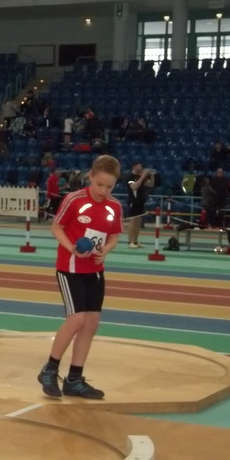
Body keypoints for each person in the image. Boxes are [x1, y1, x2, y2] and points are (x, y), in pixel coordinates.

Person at [37, 155, 123, 400]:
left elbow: (114, 236)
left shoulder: (114, 206)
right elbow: (56, 227)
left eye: (109, 187)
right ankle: (49, 369)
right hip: (70, 268)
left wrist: (106, 250)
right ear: (90, 177)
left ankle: (74, 379)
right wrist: (72, 248)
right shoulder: (74, 199)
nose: (103, 191)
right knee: (76, 319)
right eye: (99, 184)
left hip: (94, 270)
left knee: (91, 323)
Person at [126, 161, 154, 248]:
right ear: (134, 167)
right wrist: (142, 177)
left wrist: (152, 175)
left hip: (140, 201)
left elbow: (150, 184)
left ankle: (135, 241)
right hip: (133, 201)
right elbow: (134, 186)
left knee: (138, 222)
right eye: (139, 166)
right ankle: (130, 241)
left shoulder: (140, 177)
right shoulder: (130, 177)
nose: (141, 168)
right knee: (133, 221)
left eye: (141, 166)